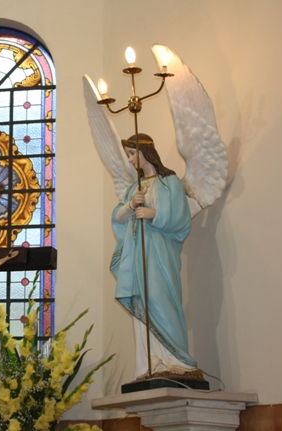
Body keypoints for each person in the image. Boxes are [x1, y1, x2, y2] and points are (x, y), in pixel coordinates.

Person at [110, 133, 198, 379]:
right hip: (138, 257)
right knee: (143, 303)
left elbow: (181, 219)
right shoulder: (134, 189)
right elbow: (117, 218)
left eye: (131, 153)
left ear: (144, 151)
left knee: (163, 301)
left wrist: (153, 214)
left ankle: (178, 360)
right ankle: (151, 364)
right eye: (127, 155)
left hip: (161, 255)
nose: (129, 159)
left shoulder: (170, 182)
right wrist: (130, 206)